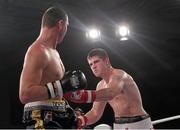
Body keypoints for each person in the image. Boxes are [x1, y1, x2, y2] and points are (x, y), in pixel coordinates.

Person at [19, 6, 87, 129]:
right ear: (61, 24)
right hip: (40, 118)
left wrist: (68, 111)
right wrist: (63, 85)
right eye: (67, 26)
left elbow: (54, 93)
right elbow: (25, 95)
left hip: (57, 116)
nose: (67, 30)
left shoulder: (54, 53)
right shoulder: (37, 51)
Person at [64, 48, 154, 129]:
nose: (93, 66)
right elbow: (95, 113)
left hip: (139, 124)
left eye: (96, 62)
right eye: (91, 64)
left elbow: (111, 93)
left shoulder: (120, 75)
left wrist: (83, 96)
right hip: (119, 125)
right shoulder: (100, 85)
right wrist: (81, 121)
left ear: (106, 61)